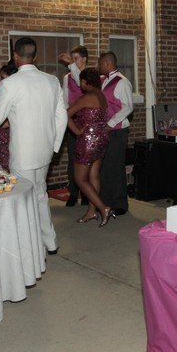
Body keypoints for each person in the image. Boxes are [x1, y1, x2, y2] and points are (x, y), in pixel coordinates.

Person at [0, 37, 68, 254]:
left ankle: (30, 248)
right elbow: (62, 118)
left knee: (23, 200)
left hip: (23, 153)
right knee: (40, 194)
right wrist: (54, 146)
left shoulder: (10, 83)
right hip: (45, 151)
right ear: (35, 56)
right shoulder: (52, 81)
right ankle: (50, 242)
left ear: (15, 56)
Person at [67, 67, 113, 226]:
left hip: (88, 141)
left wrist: (76, 130)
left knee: (80, 179)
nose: (80, 85)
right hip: (101, 139)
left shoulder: (87, 97)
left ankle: (103, 208)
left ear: (85, 82)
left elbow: (66, 114)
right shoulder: (101, 96)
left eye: (81, 81)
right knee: (94, 177)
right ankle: (91, 212)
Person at [97, 51, 133, 216]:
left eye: (100, 64)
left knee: (116, 167)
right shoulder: (103, 80)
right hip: (106, 130)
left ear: (107, 63)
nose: (99, 67)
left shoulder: (122, 82)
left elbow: (128, 107)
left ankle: (120, 204)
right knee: (105, 167)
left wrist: (110, 124)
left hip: (118, 131)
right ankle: (106, 201)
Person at [59, 46, 90, 207]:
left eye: (76, 58)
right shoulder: (67, 77)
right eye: (73, 59)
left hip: (87, 121)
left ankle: (86, 193)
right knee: (73, 158)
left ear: (84, 59)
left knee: (86, 158)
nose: (74, 62)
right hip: (72, 120)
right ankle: (73, 192)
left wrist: (71, 64)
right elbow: (65, 100)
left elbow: (82, 83)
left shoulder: (90, 75)